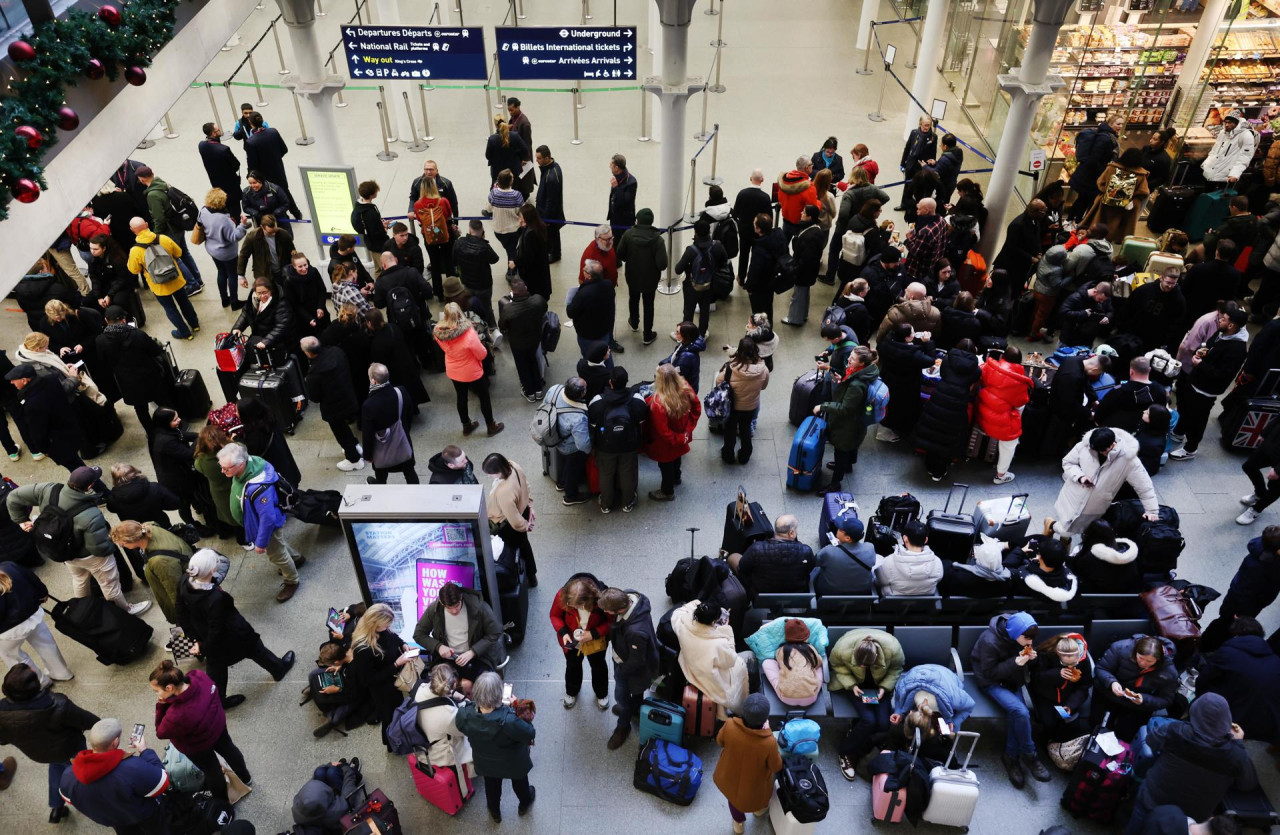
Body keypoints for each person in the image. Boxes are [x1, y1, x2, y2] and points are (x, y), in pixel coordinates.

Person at [6, 468, 146, 615]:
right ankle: (125, 611)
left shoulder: (49, 489)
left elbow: (14, 497)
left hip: (65, 553)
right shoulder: (91, 515)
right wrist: (112, 544)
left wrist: (22, 521)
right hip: (91, 558)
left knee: (79, 579)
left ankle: (83, 609)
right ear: (90, 486)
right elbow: (99, 549)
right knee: (109, 585)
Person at [1126, 693, 1257, 835]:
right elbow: (1248, 784)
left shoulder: (1176, 730)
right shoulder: (1235, 754)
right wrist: (1238, 743)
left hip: (1152, 799)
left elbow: (1151, 741)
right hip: (1190, 818)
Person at [0, 663, 96, 823]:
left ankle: (56, 808)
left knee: (56, 769)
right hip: (69, 750)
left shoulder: (1, 711)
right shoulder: (58, 704)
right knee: (83, 774)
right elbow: (91, 722)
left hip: (39, 754)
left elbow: (2, 740)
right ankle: (93, 802)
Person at [150, 658, 253, 803]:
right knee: (230, 750)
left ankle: (221, 802)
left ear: (169, 688)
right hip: (217, 726)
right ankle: (245, 778)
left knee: (212, 772)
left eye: (156, 691)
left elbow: (161, 732)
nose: (157, 695)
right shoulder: (198, 676)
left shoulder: (177, 715)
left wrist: (161, 705)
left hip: (198, 745)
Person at [970, 611, 1051, 787]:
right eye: (1027, 639)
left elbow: (1026, 660)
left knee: (1018, 714)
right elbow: (988, 673)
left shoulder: (1022, 635)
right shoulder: (989, 641)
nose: (1030, 642)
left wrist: (1032, 659)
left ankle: (1011, 757)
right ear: (1015, 634)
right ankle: (1030, 755)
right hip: (991, 682)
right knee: (1021, 711)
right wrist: (1016, 662)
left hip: (1012, 680)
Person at [218, 442, 303, 602]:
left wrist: (261, 543)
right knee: (279, 546)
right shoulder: (250, 463)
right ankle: (296, 558)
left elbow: (268, 519)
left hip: (266, 528)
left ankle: (292, 580)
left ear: (241, 464)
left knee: (276, 554)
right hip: (261, 523)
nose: (222, 471)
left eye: (226, 468)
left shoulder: (259, 488)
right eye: (221, 466)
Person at [58, 718, 170, 833]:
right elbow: (163, 782)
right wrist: (145, 751)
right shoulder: (133, 768)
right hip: (145, 816)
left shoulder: (68, 775)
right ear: (115, 742)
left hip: (115, 820)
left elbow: (70, 799)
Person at [1169, 306, 1250, 462]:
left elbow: (1222, 375)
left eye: (1223, 319)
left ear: (1232, 325)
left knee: (1197, 419)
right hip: (1195, 380)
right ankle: (1179, 432)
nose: (1219, 320)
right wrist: (1200, 352)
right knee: (1184, 408)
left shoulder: (1237, 349)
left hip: (1206, 390)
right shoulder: (1222, 333)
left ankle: (1190, 448)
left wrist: (1200, 365)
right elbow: (1208, 345)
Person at [455, 671, 536, 823]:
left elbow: (460, 726)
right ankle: (525, 802)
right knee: (520, 782)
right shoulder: (510, 720)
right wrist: (517, 706)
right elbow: (529, 733)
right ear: (499, 695)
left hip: (485, 761)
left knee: (491, 786)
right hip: (513, 762)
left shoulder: (464, 715)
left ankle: (495, 812)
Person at [1054, 426, 1158, 536]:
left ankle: (1056, 530)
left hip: (1093, 506)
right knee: (1065, 524)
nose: (1098, 452)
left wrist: (1152, 511)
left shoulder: (1129, 460)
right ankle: (1057, 531)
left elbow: (1144, 487)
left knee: (1077, 530)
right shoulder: (1085, 446)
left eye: (1102, 450)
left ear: (1113, 445)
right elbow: (1068, 462)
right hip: (1072, 495)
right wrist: (1080, 476)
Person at [828, 630, 903, 779]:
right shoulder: (843, 647)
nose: (863, 666)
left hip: (879, 685)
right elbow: (836, 665)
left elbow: (896, 669)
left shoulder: (893, 648)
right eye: (859, 664)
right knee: (868, 720)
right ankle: (846, 752)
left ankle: (857, 735)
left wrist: (884, 687)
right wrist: (852, 685)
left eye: (866, 665)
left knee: (883, 724)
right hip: (855, 684)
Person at [1197, 616, 1280, 744]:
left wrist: (1200, 701)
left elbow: (1204, 679)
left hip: (1235, 717)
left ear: (1236, 635)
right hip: (1265, 723)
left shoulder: (1228, 652)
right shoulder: (1275, 661)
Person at [346, 603, 416, 750]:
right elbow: (368, 680)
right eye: (385, 626)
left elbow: (392, 637)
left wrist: (403, 645)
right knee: (390, 716)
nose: (388, 628)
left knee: (398, 711)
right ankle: (393, 744)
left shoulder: (381, 629)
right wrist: (396, 664)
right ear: (374, 625)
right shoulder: (363, 649)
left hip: (393, 678)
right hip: (383, 689)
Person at [1200, 527, 1280, 651]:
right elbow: (1245, 592)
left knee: (1224, 626)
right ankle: (1205, 649)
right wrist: (1242, 613)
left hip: (1244, 602)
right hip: (1241, 606)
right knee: (1225, 627)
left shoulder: (1266, 551)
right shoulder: (1258, 568)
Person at [814, 345, 879, 494]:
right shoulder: (862, 373)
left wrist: (822, 406)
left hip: (848, 425)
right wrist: (841, 380)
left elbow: (845, 409)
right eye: (850, 355)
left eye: (853, 358)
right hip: (856, 422)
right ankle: (848, 465)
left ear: (862, 363)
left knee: (841, 451)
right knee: (851, 446)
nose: (849, 359)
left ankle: (835, 483)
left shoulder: (857, 384)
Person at [599, 587, 659, 750]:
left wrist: (621, 670)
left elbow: (637, 661)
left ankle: (623, 726)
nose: (605, 612)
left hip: (630, 667)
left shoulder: (635, 632)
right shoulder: (630, 596)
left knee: (622, 696)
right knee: (635, 693)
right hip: (628, 659)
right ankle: (635, 707)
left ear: (619, 610)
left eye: (607, 611)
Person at [713, 692, 780, 833]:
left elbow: (720, 741)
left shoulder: (730, 725)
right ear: (765, 719)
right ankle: (758, 811)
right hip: (754, 786)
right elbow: (776, 766)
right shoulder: (769, 742)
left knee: (734, 801)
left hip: (729, 777)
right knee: (758, 799)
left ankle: (738, 824)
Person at [0, 562, 74, 690]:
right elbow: (32, 578)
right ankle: (62, 672)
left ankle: (39, 681)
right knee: (45, 643)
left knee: (13, 656)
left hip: (9, 630)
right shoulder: (9, 566)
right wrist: (42, 594)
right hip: (33, 614)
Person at [916, 340, 982, 482]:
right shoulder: (976, 370)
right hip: (958, 403)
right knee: (948, 437)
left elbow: (944, 375)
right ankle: (939, 471)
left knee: (933, 431)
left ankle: (929, 463)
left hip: (940, 396)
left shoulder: (947, 360)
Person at [435, 302, 503, 437]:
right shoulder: (468, 334)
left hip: (454, 371)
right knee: (484, 398)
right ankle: (491, 426)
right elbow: (482, 354)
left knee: (461, 397)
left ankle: (466, 426)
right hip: (472, 372)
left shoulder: (439, 333)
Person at [125, 216, 199, 341]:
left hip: (158, 286)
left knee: (170, 308)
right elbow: (179, 253)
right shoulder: (163, 238)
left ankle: (185, 333)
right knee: (184, 302)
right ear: (147, 224)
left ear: (132, 230)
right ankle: (195, 325)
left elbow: (134, 270)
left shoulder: (135, 250)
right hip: (176, 279)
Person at [1094, 634, 1179, 742]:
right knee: (1097, 725)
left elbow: (1167, 699)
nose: (1143, 663)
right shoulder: (1120, 648)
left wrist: (1144, 700)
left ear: (1158, 660)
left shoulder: (1169, 672)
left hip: (1137, 706)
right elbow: (1101, 668)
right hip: (1109, 694)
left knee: (1125, 735)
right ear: (1135, 652)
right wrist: (1112, 682)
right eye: (1141, 658)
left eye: (1149, 661)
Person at [671, 600, 751, 714]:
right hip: (710, 677)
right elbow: (731, 660)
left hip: (690, 666)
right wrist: (727, 630)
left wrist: (701, 605)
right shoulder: (718, 643)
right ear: (714, 622)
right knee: (744, 662)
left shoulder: (682, 624)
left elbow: (678, 612)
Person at [588, 367, 648, 513]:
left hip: (605, 446)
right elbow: (642, 420)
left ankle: (606, 504)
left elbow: (592, 424)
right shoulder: (637, 400)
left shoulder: (598, 401)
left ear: (610, 382)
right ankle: (627, 502)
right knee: (627, 473)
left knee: (606, 473)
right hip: (629, 445)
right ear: (626, 381)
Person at [136, 167, 204, 295]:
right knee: (184, 253)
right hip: (178, 226)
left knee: (175, 258)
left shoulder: (152, 195)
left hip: (169, 231)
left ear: (141, 179)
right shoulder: (162, 183)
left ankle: (192, 284)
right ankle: (198, 280)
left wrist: (155, 235)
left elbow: (159, 218)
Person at [550, 574, 614, 710]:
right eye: (569, 604)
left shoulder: (603, 600)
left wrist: (593, 634)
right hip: (572, 639)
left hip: (595, 640)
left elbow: (611, 621)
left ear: (588, 601)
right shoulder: (563, 596)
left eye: (575, 605)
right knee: (572, 665)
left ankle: (601, 693)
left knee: (598, 666)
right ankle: (572, 691)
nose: (570, 607)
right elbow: (555, 615)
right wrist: (563, 633)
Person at [300, 337, 362, 472]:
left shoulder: (314, 374)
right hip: (349, 396)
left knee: (340, 432)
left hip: (333, 408)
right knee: (345, 429)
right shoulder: (336, 352)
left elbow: (315, 398)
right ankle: (354, 445)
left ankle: (354, 459)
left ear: (309, 353)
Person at [974, 344, 1032, 484]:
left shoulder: (989, 367)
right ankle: (1000, 475)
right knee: (1010, 443)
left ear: (1002, 356)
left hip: (982, 411)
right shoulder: (1019, 381)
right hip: (1001, 420)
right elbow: (1021, 402)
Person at [643, 364, 701, 501]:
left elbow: (664, 431)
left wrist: (677, 438)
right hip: (681, 435)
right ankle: (676, 477)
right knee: (677, 457)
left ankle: (667, 491)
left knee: (665, 464)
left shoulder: (658, 403)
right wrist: (686, 431)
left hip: (666, 443)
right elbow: (697, 408)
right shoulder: (686, 388)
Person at [875, 322, 937, 444]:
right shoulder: (911, 353)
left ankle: (887, 424)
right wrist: (927, 342)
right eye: (912, 332)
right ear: (907, 338)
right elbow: (930, 360)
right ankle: (897, 429)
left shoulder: (886, 343)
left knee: (889, 405)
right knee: (902, 408)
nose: (914, 334)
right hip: (906, 385)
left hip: (888, 379)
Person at [482, 453, 538, 584]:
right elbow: (526, 485)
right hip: (522, 510)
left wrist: (525, 526)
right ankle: (532, 575)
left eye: (491, 473)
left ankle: (519, 576)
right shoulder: (514, 466)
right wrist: (529, 506)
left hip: (508, 524)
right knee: (525, 546)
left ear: (499, 471)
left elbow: (513, 518)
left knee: (511, 550)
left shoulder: (504, 492)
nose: (489, 476)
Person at [616, 208, 668, 345]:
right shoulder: (658, 240)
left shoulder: (628, 234)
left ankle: (634, 323)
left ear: (637, 220)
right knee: (648, 304)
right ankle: (647, 334)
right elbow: (662, 264)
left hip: (632, 275)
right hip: (650, 279)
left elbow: (620, 254)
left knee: (633, 298)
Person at [1028, 632, 1093, 743]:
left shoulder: (1084, 661)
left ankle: (1062, 745)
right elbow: (1035, 678)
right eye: (1067, 661)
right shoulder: (1045, 654)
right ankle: (1048, 743)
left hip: (1068, 697)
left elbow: (1084, 685)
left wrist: (1071, 705)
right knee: (1049, 723)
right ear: (1058, 654)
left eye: (1074, 661)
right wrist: (1057, 674)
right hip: (1046, 695)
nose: (1072, 665)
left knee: (1070, 724)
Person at [889, 664, 976, 744]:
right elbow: (898, 698)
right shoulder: (904, 689)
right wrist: (899, 712)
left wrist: (953, 722)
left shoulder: (953, 697)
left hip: (946, 676)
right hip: (916, 673)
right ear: (911, 712)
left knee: (951, 732)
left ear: (911, 712)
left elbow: (970, 706)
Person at [732, 515, 815, 599]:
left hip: (760, 594)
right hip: (796, 594)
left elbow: (742, 568)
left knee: (733, 557)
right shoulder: (806, 551)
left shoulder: (757, 548)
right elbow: (810, 568)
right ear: (791, 533)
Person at [716, 337, 770, 465]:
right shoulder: (764, 370)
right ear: (755, 351)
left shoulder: (730, 369)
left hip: (732, 407)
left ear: (739, 351)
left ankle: (728, 455)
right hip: (750, 407)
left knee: (730, 431)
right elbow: (763, 386)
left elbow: (718, 382)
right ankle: (745, 455)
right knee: (745, 431)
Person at [361, 363, 417, 485]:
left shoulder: (368, 405)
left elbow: (368, 433)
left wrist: (368, 455)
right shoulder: (400, 391)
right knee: (409, 471)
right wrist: (406, 429)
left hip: (381, 447)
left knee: (381, 474)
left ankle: (380, 487)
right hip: (402, 441)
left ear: (373, 381)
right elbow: (409, 413)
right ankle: (416, 492)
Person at [1081, 148, 1151, 243]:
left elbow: (1100, 182)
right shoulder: (1140, 175)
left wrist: (1107, 192)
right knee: (1117, 228)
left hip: (1105, 204)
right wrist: (1131, 200)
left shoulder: (1112, 168)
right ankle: (1109, 242)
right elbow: (1144, 192)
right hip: (1124, 208)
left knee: (1099, 222)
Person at [541, 377, 592, 505]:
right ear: (581, 394)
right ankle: (570, 496)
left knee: (566, 464)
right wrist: (591, 451)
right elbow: (583, 445)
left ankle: (562, 482)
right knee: (573, 468)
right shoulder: (578, 418)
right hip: (569, 447)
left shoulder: (554, 389)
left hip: (554, 436)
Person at [674, 218, 727, 338]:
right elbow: (724, 262)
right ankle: (702, 334)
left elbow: (678, 269)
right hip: (709, 285)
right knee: (704, 311)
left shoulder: (691, 251)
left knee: (688, 312)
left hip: (691, 287)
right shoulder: (717, 246)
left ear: (696, 233)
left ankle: (687, 335)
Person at [198, 189, 250, 310]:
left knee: (221, 272)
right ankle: (234, 302)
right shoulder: (223, 219)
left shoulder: (203, 211)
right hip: (227, 253)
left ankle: (224, 300)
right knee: (232, 275)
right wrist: (242, 225)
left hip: (212, 249)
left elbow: (201, 224)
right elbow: (234, 237)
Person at [416, 663, 474, 770]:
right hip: (439, 753)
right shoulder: (449, 714)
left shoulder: (420, 688)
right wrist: (464, 703)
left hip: (424, 740)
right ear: (454, 685)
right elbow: (463, 731)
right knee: (474, 740)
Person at [237, 396, 301, 488]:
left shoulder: (255, 435)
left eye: (238, 412)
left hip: (275, 475)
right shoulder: (268, 418)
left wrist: (237, 440)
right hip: (287, 468)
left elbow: (249, 451)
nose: (236, 414)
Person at [1068, 115, 1122, 222]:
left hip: (1087, 176)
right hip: (1090, 178)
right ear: (1110, 124)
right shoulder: (1106, 138)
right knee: (1085, 201)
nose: (1120, 126)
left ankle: (1072, 221)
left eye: (1121, 124)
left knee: (1082, 200)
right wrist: (1102, 173)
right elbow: (1094, 159)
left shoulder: (1107, 136)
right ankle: (1076, 222)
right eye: (1118, 124)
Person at [193, 426, 242, 542]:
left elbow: (198, 468)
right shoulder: (234, 451)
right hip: (238, 485)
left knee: (227, 513)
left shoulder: (200, 461)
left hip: (219, 492)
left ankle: (233, 534)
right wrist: (233, 441)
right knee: (241, 511)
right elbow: (243, 448)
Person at [783, 205, 829, 325]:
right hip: (809, 270)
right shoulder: (815, 230)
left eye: (804, 212)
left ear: (809, 217)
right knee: (803, 293)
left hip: (804, 270)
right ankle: (802, 314)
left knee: (797, 295)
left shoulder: (810, 235)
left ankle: (794, 318)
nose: (801, 213)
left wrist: (796, 269)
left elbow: (806, 257)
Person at [568, 259, 619, 363]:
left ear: (589, 276)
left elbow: (571, 312)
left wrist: (570, 302)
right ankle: (610, 376)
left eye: (585, 270)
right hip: (604, 330)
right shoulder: (608, 285)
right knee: (606, 354)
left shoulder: (583, 294)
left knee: (590, 358)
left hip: (587, 334)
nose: (582, 270)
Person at [291, 760, 362, 833]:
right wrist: (345, 767)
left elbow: (313, 780)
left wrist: (328, 765)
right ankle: (351, 771)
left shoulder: (296, 809)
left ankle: (334, 770)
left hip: (318, 814)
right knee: (332, 773)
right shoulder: (334, 812)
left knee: (319, 772)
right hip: (335, 815)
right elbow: (349, 791)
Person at [414, 175, 456, 298]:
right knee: (448, 261)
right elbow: (449, 214)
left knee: (435, 263)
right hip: (445, 235)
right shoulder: (443, 201)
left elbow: (419, 219)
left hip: (429, 236)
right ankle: (452, 289)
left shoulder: (418, 204)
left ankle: (438, 292)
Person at [86, 235, 143, 325]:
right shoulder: (92, 261)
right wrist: (99, 297)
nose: (92, 251)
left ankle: (129, 322)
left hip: (121, 287)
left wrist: (109, 295)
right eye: (91, 248)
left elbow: (121, 280)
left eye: (95, 249)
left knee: (119, 301)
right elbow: (94, 279)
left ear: (104, 248)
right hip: (106, 286)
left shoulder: (117, 259)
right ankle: (102, 323)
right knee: (87, 301)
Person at [877, 520, 944, 596]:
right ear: (926, 540)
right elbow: (938, 580)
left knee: (878, 559)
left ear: (905, 538)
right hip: (923, 603)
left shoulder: (889, 561)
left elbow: (880, 582)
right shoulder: (937, 562)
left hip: (894, 601)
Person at [993, 200, 1049, 288]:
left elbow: (1037, 238)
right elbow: (1011, 247)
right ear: (1033, 212)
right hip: (1010, 265)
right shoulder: (1017, 225)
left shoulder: (1036, 221)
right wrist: (1030, 258)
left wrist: (1039, 252)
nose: (1044, 214)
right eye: (1042, 212)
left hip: (1022, 266)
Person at [745, 213, 787, 326]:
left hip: (759, 286)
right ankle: (769, 329)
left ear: (758, 229)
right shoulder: (779, 238)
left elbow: (754, 270)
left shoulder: (760, 249)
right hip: (771, 282)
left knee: (758, 312)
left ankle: (760, 333)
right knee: (768, 308)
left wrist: (749, 286)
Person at [236, 211, 295, 291]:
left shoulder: (283, 234)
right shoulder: (253, 237)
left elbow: (293, 252)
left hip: (282, 272)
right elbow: (243, 255)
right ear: (262, 227)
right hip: (263, 273)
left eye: (275, 231)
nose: (273, 234)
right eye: (270, 232)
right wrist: (241, 275)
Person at [1202, 109, 1257, 190]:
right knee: (1206, 194)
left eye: (1230, 123)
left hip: (1227, 175)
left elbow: (1245, 157)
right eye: (1226, 122)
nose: (1227, 125)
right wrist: (1206, 164)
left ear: (1236, 123)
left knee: (1219, 197)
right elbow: (1215, 150)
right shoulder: (1223, 133)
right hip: (1212, 170)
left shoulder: (1246, 135)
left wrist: (1235, 173)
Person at [1025, 245, 1071, 343]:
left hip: (1037, 289)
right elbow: (1058, 284)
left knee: (1036, 311)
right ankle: (1033, 334)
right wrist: (1070, 277)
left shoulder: (1044, 259)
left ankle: (1029, 329)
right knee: (1041, 316)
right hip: (1047, 295)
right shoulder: (1056, 269)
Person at [732, 170, 772, 282]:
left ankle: (741, 277)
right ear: (762, 180)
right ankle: (752, 279)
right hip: (759, 232)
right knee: (756, 256)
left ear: (750, 178)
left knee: (743, 254)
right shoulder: (765, 197)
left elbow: (736, 213)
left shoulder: (742, 193)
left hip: (744, 230)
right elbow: (769, 217)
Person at [198, 123, 242, 219]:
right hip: (230, 183)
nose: (220, 131)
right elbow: (236, 165)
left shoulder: (201, 145)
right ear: (213, 134)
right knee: (234, 207)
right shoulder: (224, 149)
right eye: (218, 130)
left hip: (215, 182)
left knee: (223, 205)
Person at [283, 252, 330, 341]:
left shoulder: (314, 272)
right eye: (300, 267)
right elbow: (294, 304)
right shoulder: (289, 281)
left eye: (305, 265)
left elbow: (322, 290)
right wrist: (309, 319)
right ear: (294, 266)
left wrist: (320, 307)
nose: (304, 269)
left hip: (319, 311)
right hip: (303, 316)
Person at [903, 198, 949, 285]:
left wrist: (909, 239)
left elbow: (916, 252)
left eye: (919, 209)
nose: (917, 211)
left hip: (918, 271)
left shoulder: (926, 232)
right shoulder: (941, 220)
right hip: (933, 264)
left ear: (927, 210)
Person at [1057, 280, 1114, 348]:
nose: (1102, 302)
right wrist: (1083, 313)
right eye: (1100, 299)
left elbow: (1110, 311)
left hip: (1088, 341)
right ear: (1094, 292)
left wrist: (1107, 317)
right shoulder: (1076, 297)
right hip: (1069, 340)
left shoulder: (1105, 298)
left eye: (1104, 300)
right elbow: (1063, 312)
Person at [897, 116, 938, 211]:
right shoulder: (914, 133)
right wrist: (903, 163)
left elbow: (933, 153)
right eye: (925, 125)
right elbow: (907, 148)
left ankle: (917, 207)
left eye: (929, 125)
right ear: (920, 124)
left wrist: (931, 165)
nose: (927, 127)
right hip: (911, 164)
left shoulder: (933, 137)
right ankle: (903, 204)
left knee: (918, 187)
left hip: (921, 166)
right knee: (907, 185)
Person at [535, 145, 564, 262]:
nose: (536, 161)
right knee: (552, 233)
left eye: (539, 158)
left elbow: (551, 201)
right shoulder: (551, 167)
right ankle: (550, 250)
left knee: (552, 233)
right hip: (547, 210)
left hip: (549, 214)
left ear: (547, 158)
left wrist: (546, 219)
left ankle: (555, 254)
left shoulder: (550, 177)